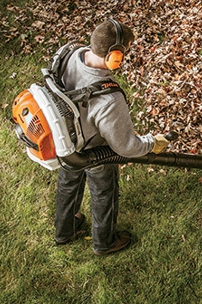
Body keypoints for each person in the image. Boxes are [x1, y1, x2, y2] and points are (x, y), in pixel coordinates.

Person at [54, 19, 170, 255]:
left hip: (67, 140)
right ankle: (104, 242)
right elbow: (125, 146)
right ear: (114, 56)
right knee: (103, 192)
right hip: (94, 150)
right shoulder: (108, 98)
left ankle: (65, 230)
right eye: (122, 54)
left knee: (68, 181)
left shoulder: (71, 53)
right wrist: (151, 143)